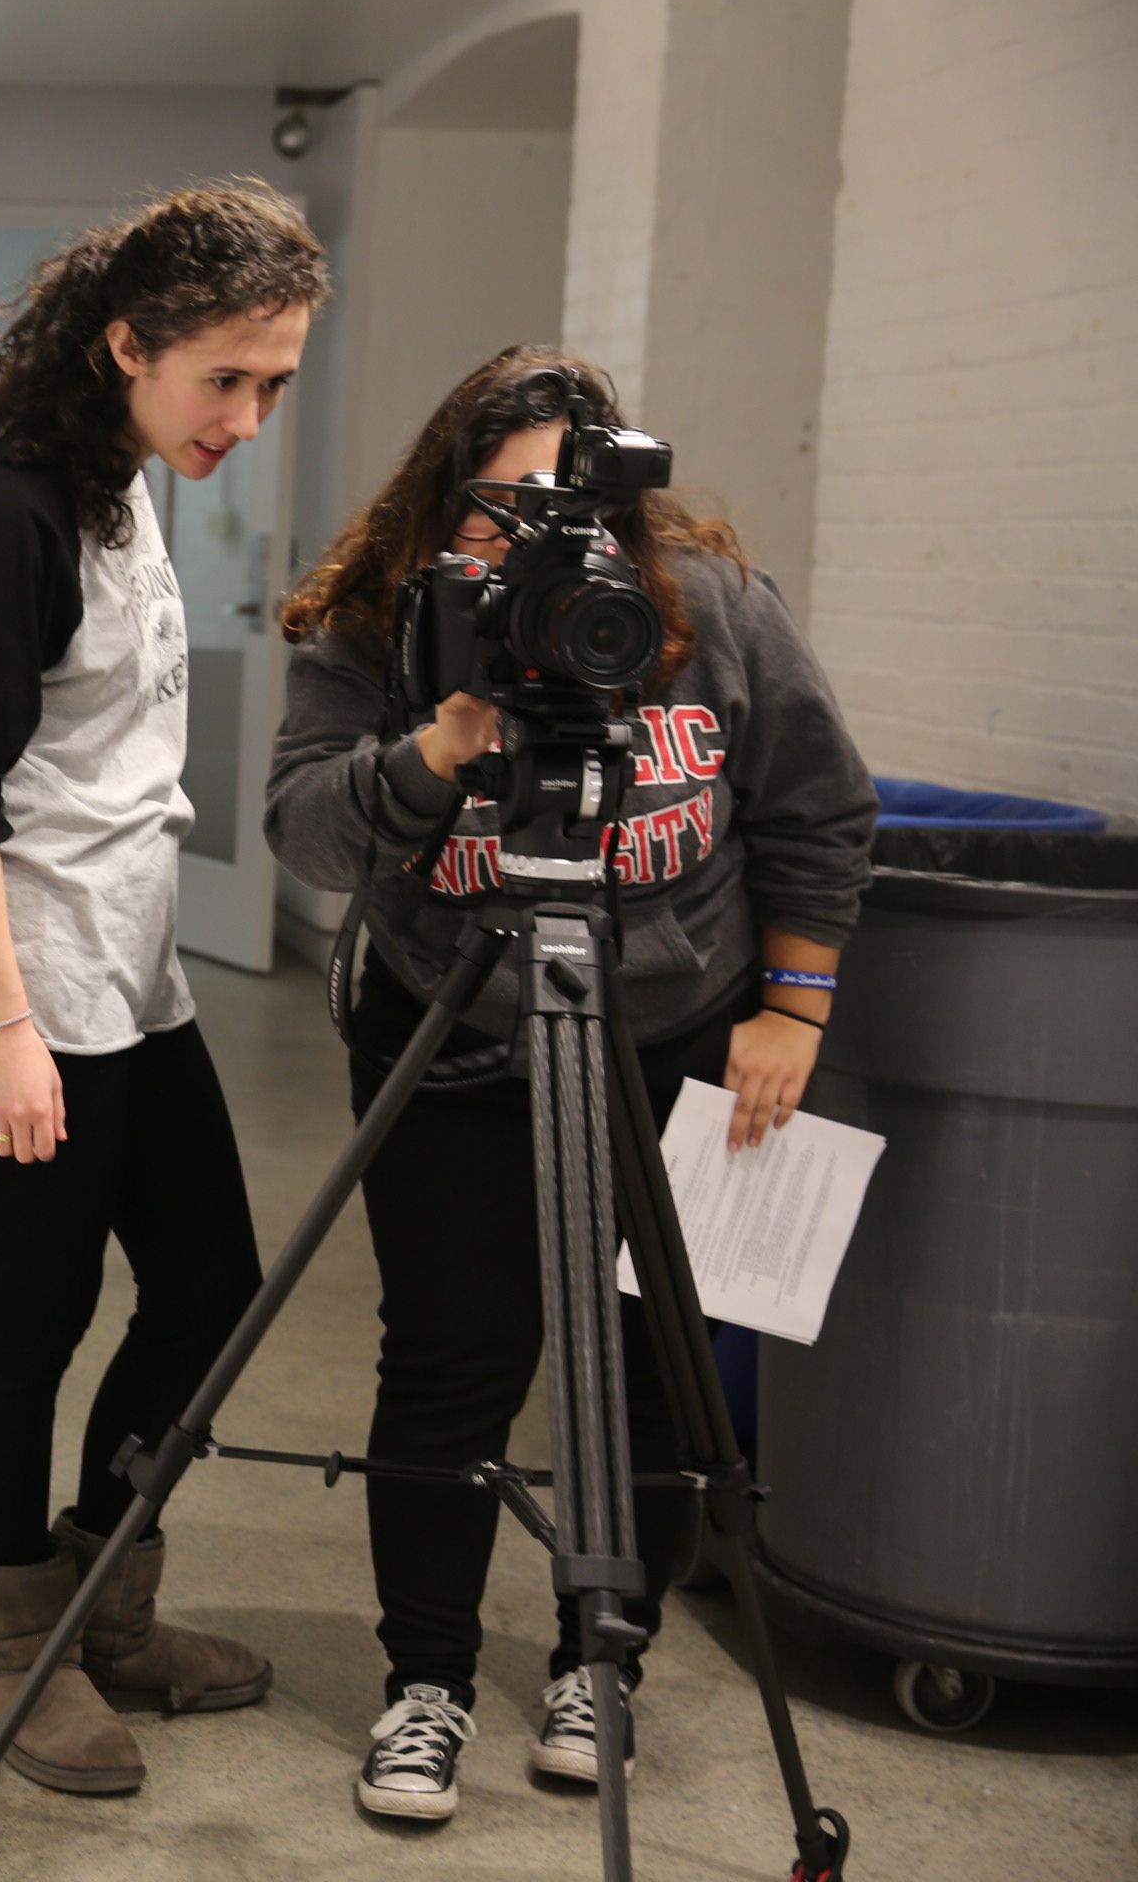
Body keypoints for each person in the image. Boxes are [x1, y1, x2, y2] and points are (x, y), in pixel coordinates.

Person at [266, 349, 876, 1821]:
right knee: (453, 1358)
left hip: (673, 1028)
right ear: (445, 502)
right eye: (504, 512)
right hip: (453, 1022)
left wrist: (795, 1005)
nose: (543, 543)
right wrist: (444, 732)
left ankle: (605, 1663)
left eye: (573, 508)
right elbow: (305, 829)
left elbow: (815, 804)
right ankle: (427, 1684)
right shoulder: (379, 623)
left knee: (648, 1366)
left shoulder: (707, 612)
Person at [0, 185, 329, 1796]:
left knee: (211, 1287)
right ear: (127, 343)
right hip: (26, 978)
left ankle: (106, 1599)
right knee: (41, 1310)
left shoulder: (121, 482)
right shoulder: (5, 510)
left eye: (277, 381)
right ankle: (18, 1648)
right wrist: (6, 1031)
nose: (252, 414)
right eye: (227, 377)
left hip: (129, 968)